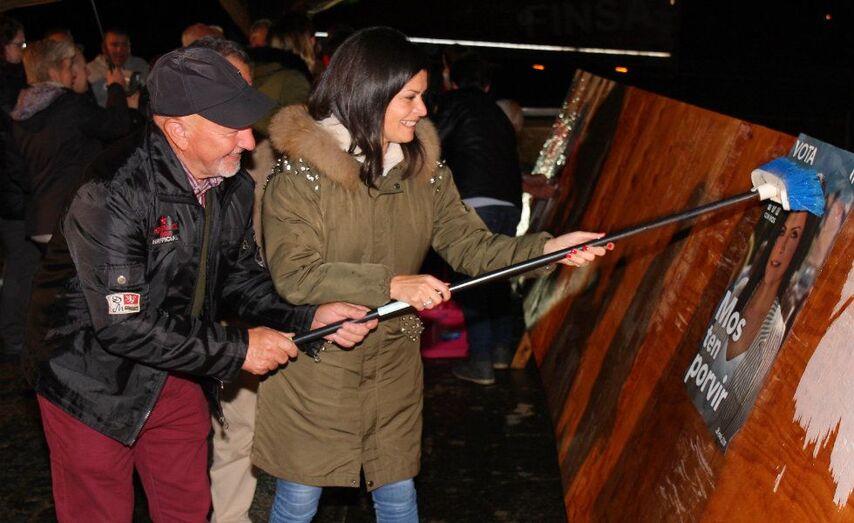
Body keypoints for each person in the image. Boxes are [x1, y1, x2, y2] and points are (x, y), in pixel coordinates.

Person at [253, 27, 608, 522]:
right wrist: (392, 285)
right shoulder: (301, 175)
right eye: (410, 97)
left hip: (393, 363)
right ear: (369, 93)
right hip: (320, 365)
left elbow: (472, 246)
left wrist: (548, 248)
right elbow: (294, 274)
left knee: (399, 499)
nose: (422, 110)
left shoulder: (424, 170)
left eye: (423, 97)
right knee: (298, 502)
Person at [23, 46, 376, 522]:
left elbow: (242, 279)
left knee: (187, 507)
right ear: (178, 129)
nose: (250, 143)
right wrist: (238, 349)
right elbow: (123, 325)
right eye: (232, 128)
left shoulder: (230, 182)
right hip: (88, 379)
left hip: (180, 366)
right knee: (98, 512)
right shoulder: (112, 191)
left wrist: (309, 314)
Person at [433, 54, 528, 384]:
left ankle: (480, 362)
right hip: (509, 205)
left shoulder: (453, 103)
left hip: (474, 202)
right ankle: (502, 351)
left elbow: (432, 148)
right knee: (499, 277)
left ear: (452, 83)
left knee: (471, 281)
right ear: (487, 86)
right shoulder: (498, 115)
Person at [690, 209, 817, 447]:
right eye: (782, 231)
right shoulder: (740, 289)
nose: (781, 246)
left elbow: (733, 426)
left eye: (794, 235)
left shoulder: (775, 331)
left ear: (800, 249)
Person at [0, 14, 32, 356]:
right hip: (12, 194)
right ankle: (12, 336)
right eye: (18, 44)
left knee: (21, 264)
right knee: (20, 265)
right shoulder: (8, 85)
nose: (23, 51)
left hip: (12, 189)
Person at [87, 27, 149, 107]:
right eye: (114, 45)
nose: (119, 50)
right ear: (104, 48)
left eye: (124, 45)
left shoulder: (140, 65)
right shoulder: (90, 70)